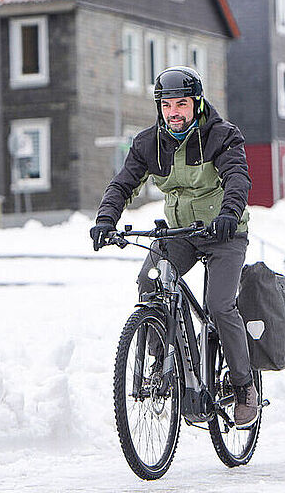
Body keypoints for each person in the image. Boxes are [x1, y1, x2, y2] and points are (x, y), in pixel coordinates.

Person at [89, 66, 259, 428]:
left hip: (223, 233)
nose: (174, 112)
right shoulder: (149, 143)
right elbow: (123, 184)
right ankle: (159, 363)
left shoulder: (221, 136)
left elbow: (237, 178)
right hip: (179, 233)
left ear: (196, 104)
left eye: (181, 103)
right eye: (167, 106)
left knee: (219, 304)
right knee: (149, 282)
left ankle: (244, 386)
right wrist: (106, 219)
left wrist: (229, 214)